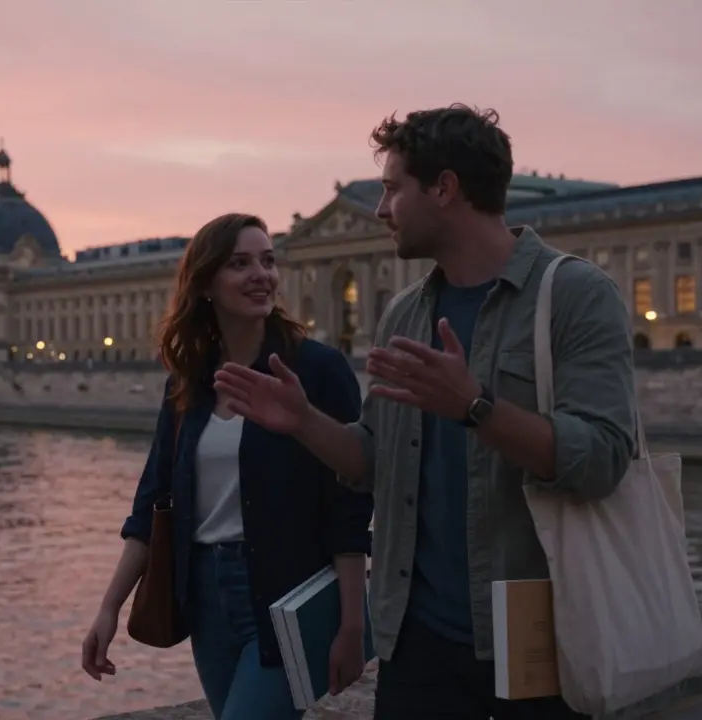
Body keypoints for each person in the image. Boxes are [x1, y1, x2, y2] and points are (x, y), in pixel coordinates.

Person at [213, 105, 637, 720]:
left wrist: (475, 407)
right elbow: (374, 460)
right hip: (416, 642)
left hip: (539, 636)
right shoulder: (406, 312)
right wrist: (304, 422)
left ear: (444, 189)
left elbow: (602, 459)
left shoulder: (575, 295)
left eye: (392, 189)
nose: (381, 210)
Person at [81, 213, 375, 720]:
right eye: (240, 264)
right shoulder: (189, 381)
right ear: (205, 284)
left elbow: (349, 504)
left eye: (268, 261)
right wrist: (109, 607)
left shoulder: (316, 370)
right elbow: (152, 503)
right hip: (205, 598)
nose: (261, 275)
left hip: (287, 595)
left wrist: (352, 623)